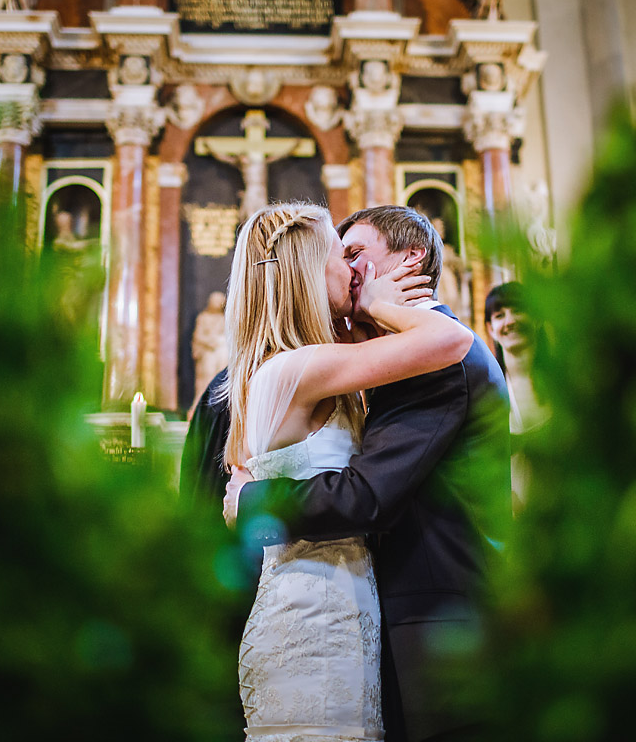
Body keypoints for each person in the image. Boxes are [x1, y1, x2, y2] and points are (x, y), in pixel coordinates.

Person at [226, 205, 512, 742]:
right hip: (324, 624)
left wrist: (253, 501)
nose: (352, 271)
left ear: (411, 259)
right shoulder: (303, 366)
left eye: (357, 254)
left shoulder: (438, 357)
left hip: (438, 628)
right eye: (341, 257)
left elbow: (367, 495)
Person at [484, 282, 549, 511]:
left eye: (518, 310)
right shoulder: (487, 393)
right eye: (500, 315)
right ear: (490, 329)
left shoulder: (560, 383)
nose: (510, 321)